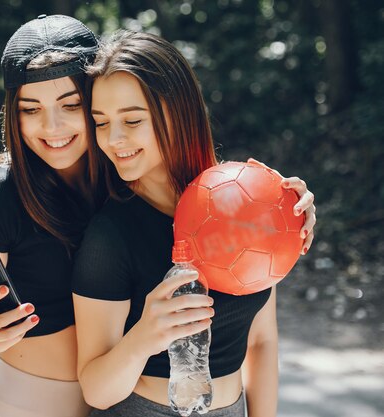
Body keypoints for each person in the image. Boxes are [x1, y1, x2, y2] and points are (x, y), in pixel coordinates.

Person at [72, 30, 316, 417]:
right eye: (101, 122)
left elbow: (261, 341)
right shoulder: (111, 234)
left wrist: (284, 218)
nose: (113, 139)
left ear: (179, 111)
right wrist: (144, 337)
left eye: (132, 120)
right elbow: (96, 390)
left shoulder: (241, 200)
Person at [0, 15, 104, 417]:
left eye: (71, 104)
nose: (52, 127)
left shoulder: (126, 181)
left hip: (119, 402)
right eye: (31, 109)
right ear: (13, 115)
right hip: (17, 405)